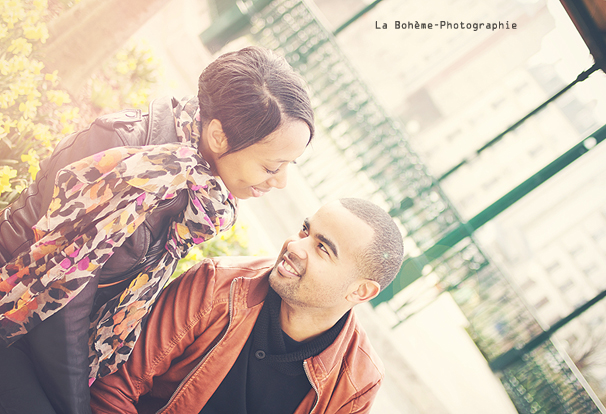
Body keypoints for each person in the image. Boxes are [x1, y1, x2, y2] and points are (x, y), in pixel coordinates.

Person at [0, 46, 314, 414]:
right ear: (218, 136)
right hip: (18, 306)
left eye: (289, 164)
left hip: (56, 338)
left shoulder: (204, 192)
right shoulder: (128, 155)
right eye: (271, 166)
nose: (281, 182)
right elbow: (61, 298)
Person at [89, 198, 404, 414]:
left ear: (360, 291)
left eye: (322, 248)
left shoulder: (359, 379)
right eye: (305, 230)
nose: (295, 245)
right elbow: (115, 387)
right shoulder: (215, 286)